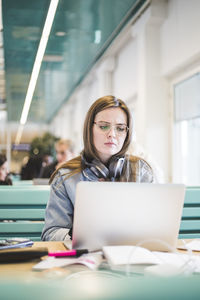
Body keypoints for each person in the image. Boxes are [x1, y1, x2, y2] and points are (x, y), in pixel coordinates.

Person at [41, 95, 154, 241]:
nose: (112, 134)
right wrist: (76, 234)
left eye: (120, 128)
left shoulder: (141, 171)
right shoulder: (66, 176)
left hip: (131, 254)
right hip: (85, 256)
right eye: (103, 126)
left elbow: (153, 226)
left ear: (127, 134)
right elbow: (50, 234)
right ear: (90, 129)